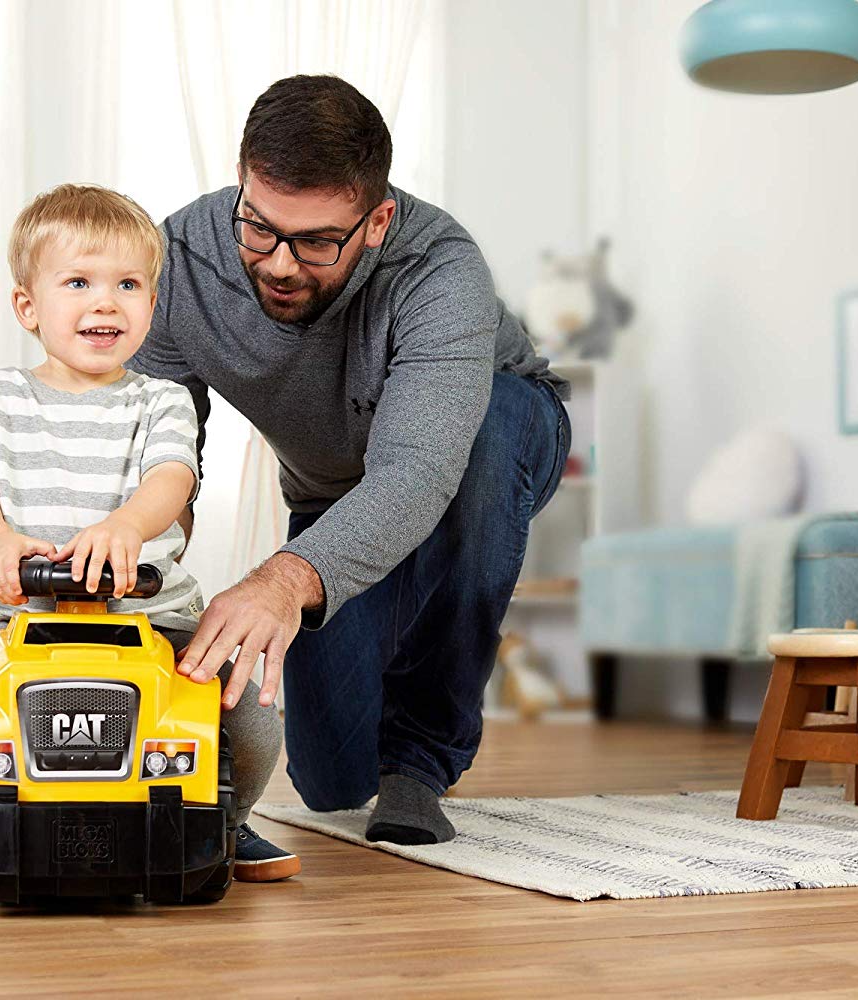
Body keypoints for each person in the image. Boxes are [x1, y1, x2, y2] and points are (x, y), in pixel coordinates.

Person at [130, 76, 570, 846]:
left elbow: (418, 471)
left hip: (489, 439)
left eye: (318, 242)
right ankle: (374, 746)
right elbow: (163, 452)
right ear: (242, 183)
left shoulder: (440, 269)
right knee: (332, 781)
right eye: (260, 229)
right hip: (334, 489)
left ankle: (420, 765)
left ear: (378, 220)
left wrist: (283, 578)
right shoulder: (180, 265)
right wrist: (136, 573)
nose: (280, 265)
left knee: (486, 434)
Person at [0, 184, 298, 884]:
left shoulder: (161, 401)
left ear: (151, 304)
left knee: (255, 723)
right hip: (17, 621)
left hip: (150, 619)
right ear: (29, 306)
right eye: (78, 282)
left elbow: (172, 479)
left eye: (128, 284)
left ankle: (222, 825)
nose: (105, 302)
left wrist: (127, 525)